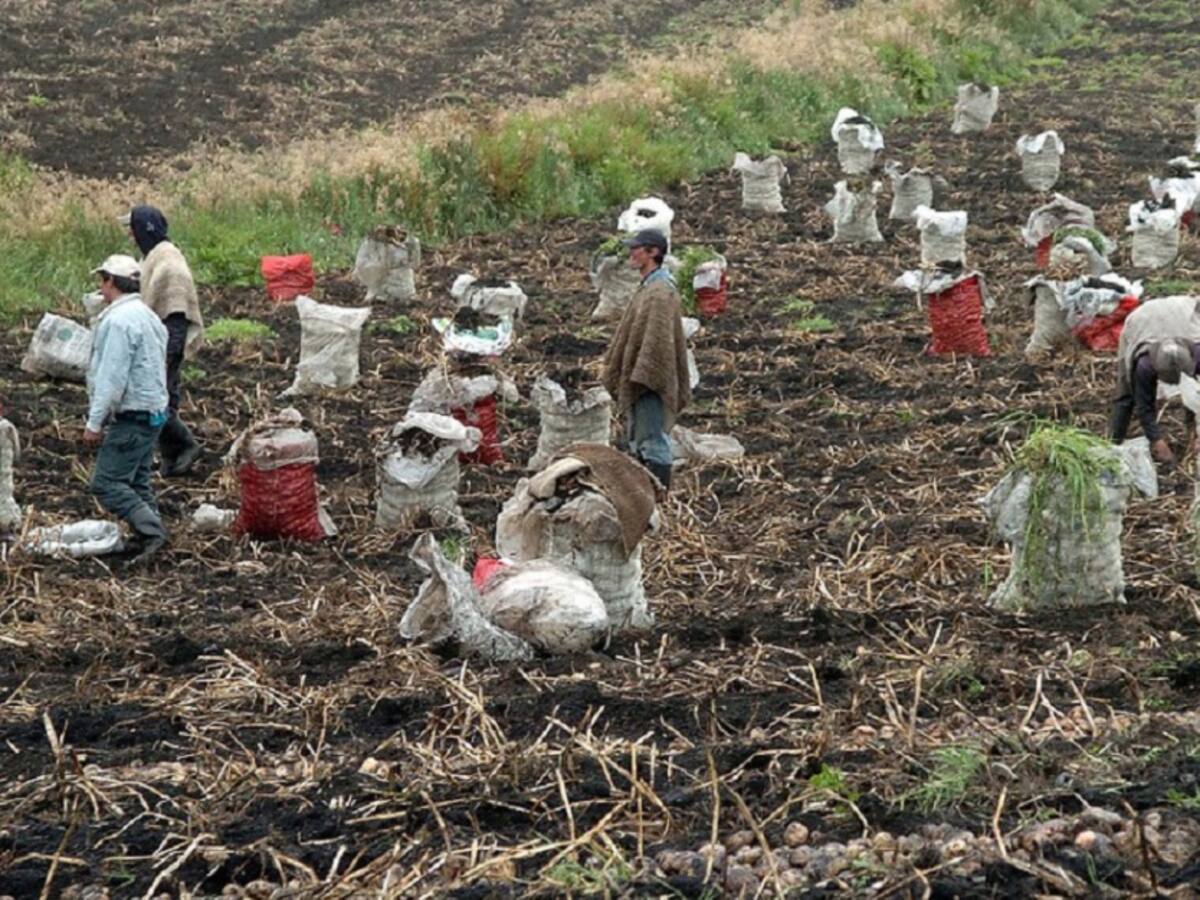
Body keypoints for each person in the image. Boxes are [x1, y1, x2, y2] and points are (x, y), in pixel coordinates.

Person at [84, 255, 171, 564]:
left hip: (133, 415)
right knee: (137, 480)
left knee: (106, 483)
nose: (100, 288)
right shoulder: (148, 316)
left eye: (102, 281)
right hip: (154, 412)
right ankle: (152, 532)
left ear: (110, 281)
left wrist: (95, 423)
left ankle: (151, 533)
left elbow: (112, 377)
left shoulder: (119, 321)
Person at [602, 229, 691, 490]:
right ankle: (646, 494)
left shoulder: (660, 292)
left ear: (653, 252)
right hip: (642, 373)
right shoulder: (650, 286)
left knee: (652, 439)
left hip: (651, 378)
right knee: (640, 437)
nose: (631, 253)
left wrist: (647, 371)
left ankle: (660, 495)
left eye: (636, 248)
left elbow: (658, 342)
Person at [120, 205, 204, 476]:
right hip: (161, 341)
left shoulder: (169, 265)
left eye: (133, 230)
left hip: (167, 342)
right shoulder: (155, 258)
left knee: (156, 402)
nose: (131, 237)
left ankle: (188, 445)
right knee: (166, 400)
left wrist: (168, 354)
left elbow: (176, 312)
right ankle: (173, 460)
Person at [1109, 294, 1200, 465]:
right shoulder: (1144, 365)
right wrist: (1156, 440)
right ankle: (1111, 447)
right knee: (1126, 396)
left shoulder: (1197, 351)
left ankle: (1192, 431)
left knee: (1195, 392)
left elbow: (1196, 392)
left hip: (1183, 314)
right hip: (1141, 322)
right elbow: (1144, 405)